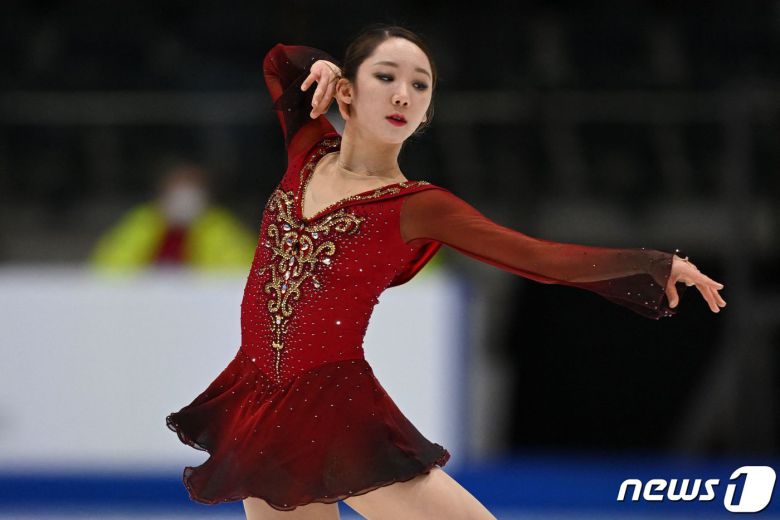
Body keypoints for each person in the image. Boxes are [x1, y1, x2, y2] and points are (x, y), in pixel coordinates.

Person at [165, 24, 727, 520]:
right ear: (345, 91)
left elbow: (537, 257)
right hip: (259, 397)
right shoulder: (307, 147)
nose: (402, 94)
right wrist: (319, 59)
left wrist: (654, 266)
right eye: (385, 76)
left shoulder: (418, 205)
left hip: (331, 408)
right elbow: (278, 60)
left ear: (427, 113)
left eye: (420, 85)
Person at [90, 159, 256, 272]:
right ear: (162, 192)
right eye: (178, 187)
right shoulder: (141, 222)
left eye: (192, 187)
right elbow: (107, 267)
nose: (185, 197)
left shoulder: (221, 226)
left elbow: (243, 271)